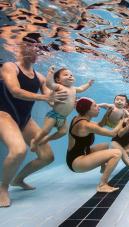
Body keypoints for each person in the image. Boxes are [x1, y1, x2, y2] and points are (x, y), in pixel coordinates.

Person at [0, 42, 68, 207]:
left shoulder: (40, 77)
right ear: (22, 48)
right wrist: (47, 98)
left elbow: (51, 100)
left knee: (47, 156)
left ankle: (19, 179)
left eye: (38, 48)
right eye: (31, 47)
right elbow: (15, 91)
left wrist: (68, 102)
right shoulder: (10, 67)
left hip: (25, 119)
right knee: (18, 151)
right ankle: (3, 188)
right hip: (4, 114)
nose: (36, 51)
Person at [30, 66, 94, 151]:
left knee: (63, 132)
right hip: (53, 115)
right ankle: (35, 141)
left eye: (71, 75)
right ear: (58, 80)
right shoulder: (59, 87)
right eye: (66, 75)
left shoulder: (74, 89)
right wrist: (50, 73)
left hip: (63, 118)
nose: (70, 76)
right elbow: (49, 84)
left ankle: (47, 139)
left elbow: (82, 88)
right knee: (45, 131)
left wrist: (88, 84)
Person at [66, 97, 123, 192]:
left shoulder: (79, 118)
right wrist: (122, 121)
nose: (98, 107)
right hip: (76, 162)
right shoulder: (85, 125)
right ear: (87, 110)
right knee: (117, 153)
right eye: (95, 106)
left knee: (105, 145)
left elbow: (99, 125)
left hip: (77, 155)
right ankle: (102, 185)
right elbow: (113, 133)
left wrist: (107, 114)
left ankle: (103, 169)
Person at [99, 95, 129, 181]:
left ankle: (105, 158)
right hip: (116, 142)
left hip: (126, 144)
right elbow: (120, 134)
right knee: (124, 155)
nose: (128, 109)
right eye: (127, 107)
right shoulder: (122, 118)